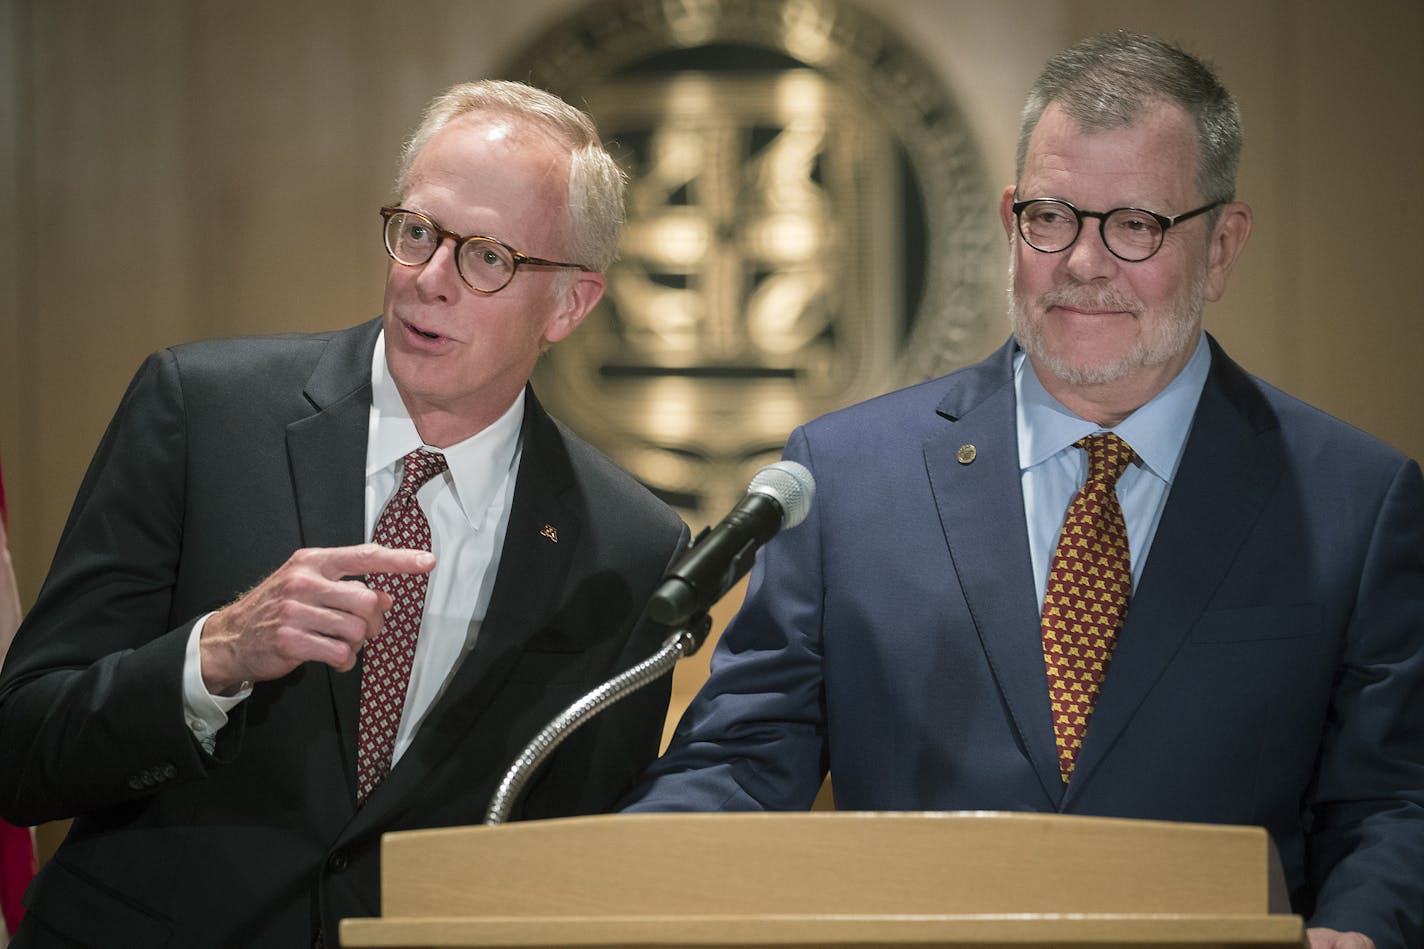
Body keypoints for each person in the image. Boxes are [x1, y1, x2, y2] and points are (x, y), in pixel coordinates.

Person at [622, 31, 1424, 949]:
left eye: (1136, 225)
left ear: (1222, 246)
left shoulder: (1355, 501)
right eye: (1052, 216)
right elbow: (743, 760)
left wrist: (1361, 930)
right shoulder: (847, 479)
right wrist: (623, 876)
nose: (1083, 262)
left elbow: (1392, 800)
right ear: (1010, 217)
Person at [0, 80, 688, 947]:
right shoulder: (201, 412)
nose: (430, 280)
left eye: (487, 258)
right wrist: (213, 654)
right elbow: (18, 749)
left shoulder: (628, 547)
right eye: (417, 233)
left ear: (570, 304)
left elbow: (577, 861)